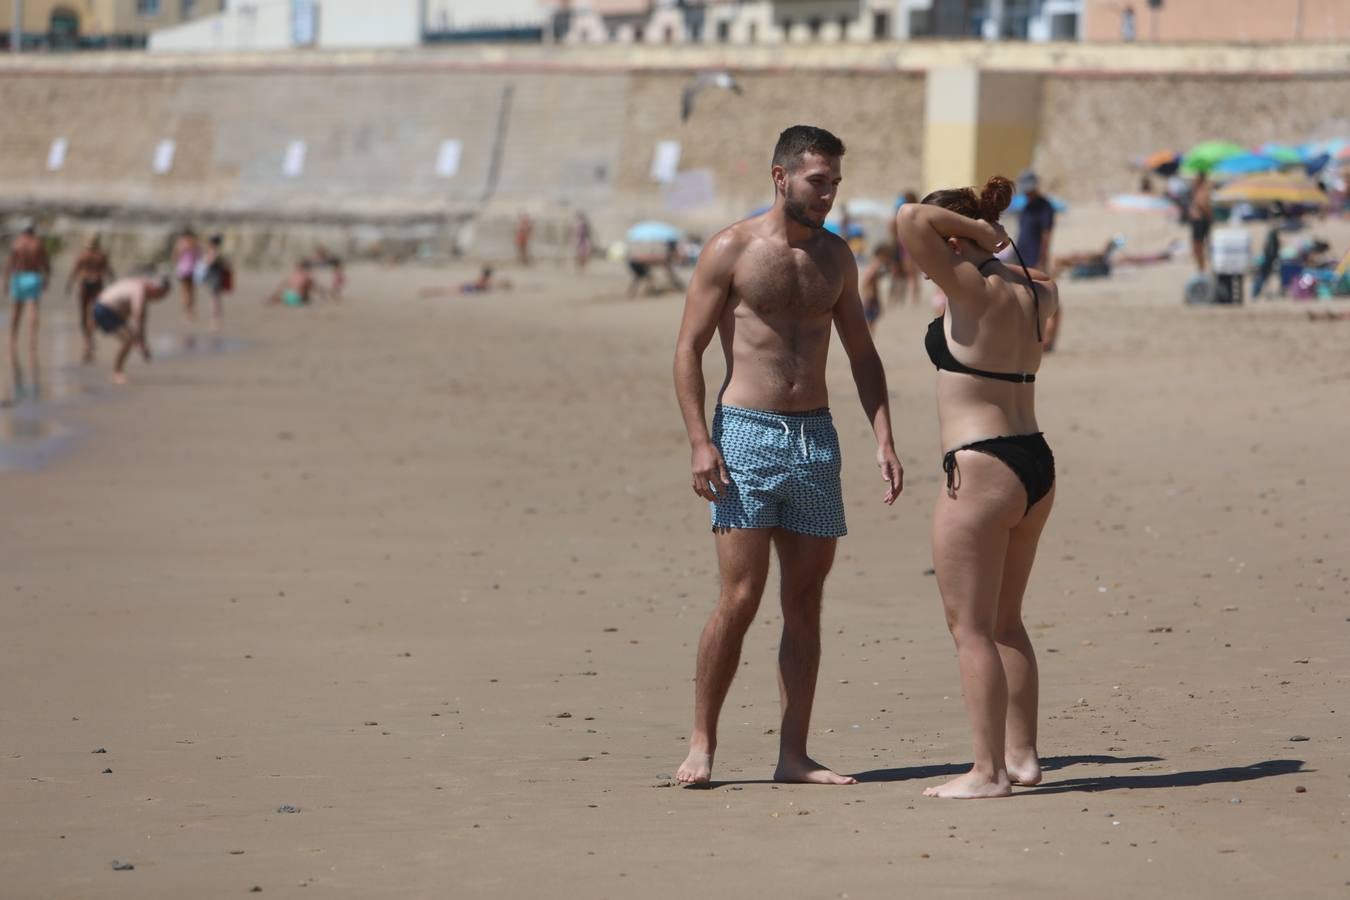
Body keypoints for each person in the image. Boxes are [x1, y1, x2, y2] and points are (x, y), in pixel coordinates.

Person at [672, 125, 903, 787]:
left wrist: (883, 435)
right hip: (745, 433)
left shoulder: (837, 258)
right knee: (740, 598)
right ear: (780, 177)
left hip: (816, 438)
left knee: (805, 602)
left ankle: (793, 755)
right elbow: (687, 349)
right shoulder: (731, 249)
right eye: (816, 181)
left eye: (834, 182)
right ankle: (701, 744)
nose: (828, 194)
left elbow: (862, 352)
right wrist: (699, 440)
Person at [895, 174, 1059, 799]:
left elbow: (910, 218)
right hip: (1035, 460)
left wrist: (976, 233)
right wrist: (984, 241)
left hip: (983, 464)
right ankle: (1022, 757)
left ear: (956, 239)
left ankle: (987, 773)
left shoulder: (970, 283)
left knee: (970, 629)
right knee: (1007, 622)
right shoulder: (1037, 289)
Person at [91, 275, 171, 384]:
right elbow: (138, 317)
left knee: (131, 337)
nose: (159, 299)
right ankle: (117, 373)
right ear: (155, 288)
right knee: (127, 340)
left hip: (104, 306)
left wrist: (140, 341)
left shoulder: (138, 283)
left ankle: (91, 339)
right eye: (161, 295)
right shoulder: (140, 291)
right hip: (105, 310)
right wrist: (142, 343)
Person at [65, 235, 115, 363]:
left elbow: (75, 270)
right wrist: (114, 283)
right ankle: (90, 337)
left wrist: (69, 284)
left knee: (83, 312)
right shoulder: (101, 255)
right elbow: (108, 271)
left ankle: (86, 342)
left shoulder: (83, 255)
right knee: (94, 313)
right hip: (97, 283)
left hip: (84, 283)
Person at [5, 223, 51, 362]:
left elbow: (10, 264)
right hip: (33, 276)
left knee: (16, 311)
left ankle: (12, 341)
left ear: (22, 231)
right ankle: (32, 342)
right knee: (33, 310)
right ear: (32, 231)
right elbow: (45, 263)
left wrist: (5, 282)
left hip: (18, 276)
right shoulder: (37, 243)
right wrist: (46, 278)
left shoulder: (16, 243)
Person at [1016, 171, 1055, 271]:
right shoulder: (1026, 207)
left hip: (1034, 259)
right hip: (1020, 257)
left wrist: (1041, 261)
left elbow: (1046, 235)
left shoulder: (1045, 207)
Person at [198, 235, 234, 330]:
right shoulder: (217, 252)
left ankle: (215, 320)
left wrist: (207, 259)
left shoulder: (214, 252)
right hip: (214, 277)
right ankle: (215, 319)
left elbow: (209, 262)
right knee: (215, 299)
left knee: (214, 300)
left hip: (215, 278)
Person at [172, 228, 201, 320]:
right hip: (191, 269)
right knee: (190, 291)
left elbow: (175, 256)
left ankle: (187, 311)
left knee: (186, 291)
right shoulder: (194, 243)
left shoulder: (181, 243)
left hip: (184, 269)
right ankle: (189, 311)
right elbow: (198, 256)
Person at [859, 244, 889, 331]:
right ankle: (869, 337)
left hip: (872, 295)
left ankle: (870, 336)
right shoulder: (876, 264)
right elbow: (867, 278)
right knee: (871, 319)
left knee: (872, 318)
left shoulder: (875, 264)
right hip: (871, 296)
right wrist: (867, 292)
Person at [1188, 171, 1213, 273]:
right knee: (1197, 246)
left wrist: (1208, 216)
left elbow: (1203, 204)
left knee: (1198, 246)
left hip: (1201, 220)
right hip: (1199, 220)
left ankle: (1201, 269)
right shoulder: (1198, 189)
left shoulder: (1203, 190)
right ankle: (1201, 268)